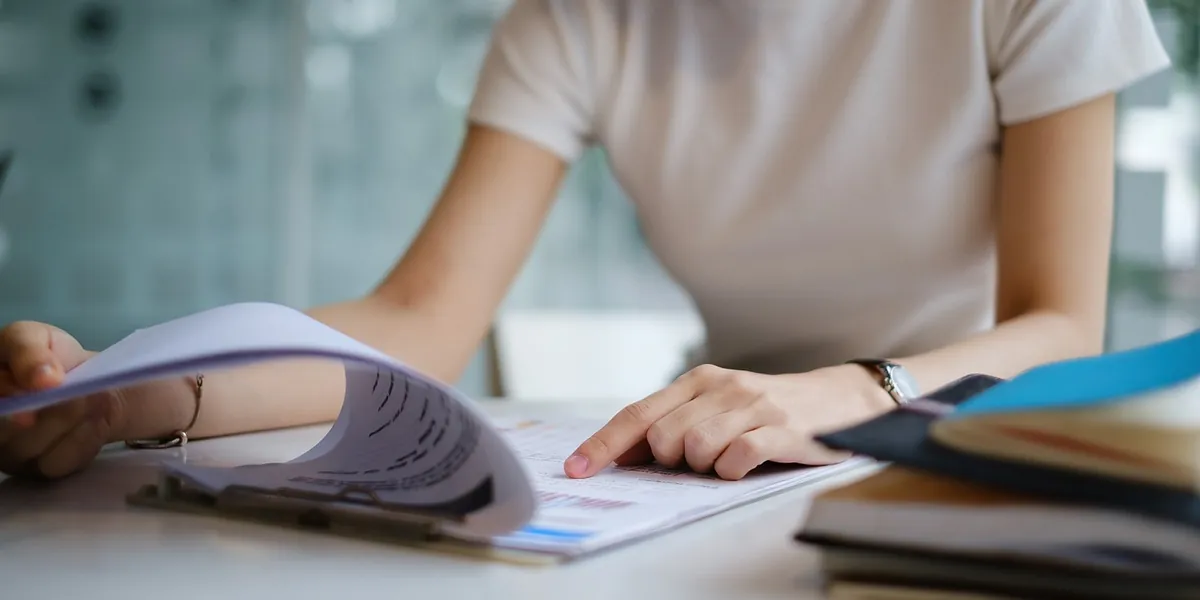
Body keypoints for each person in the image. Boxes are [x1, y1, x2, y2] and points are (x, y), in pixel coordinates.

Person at [0, 1, 1171, 481]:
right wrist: (131, 391)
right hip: (710, 466)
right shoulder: (577, 15)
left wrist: (851, 394)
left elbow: (1063, 326)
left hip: (954, 441)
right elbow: (418, 323)